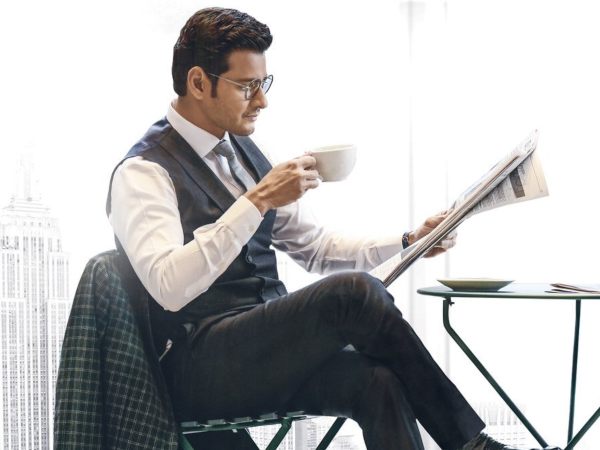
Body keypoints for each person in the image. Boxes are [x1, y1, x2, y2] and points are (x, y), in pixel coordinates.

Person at [107, 7, 560, 450]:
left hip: (266, 352)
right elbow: (168, 285)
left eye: (263, 84)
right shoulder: (144, 171)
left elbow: (317, 249)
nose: (262, 101)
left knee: (376, 380)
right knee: (353, 294)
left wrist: (410, 242)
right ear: (198, 82)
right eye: (247, 87)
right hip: (198, 369)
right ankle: (473, 444)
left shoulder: (243, 154)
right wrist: (257, 200)